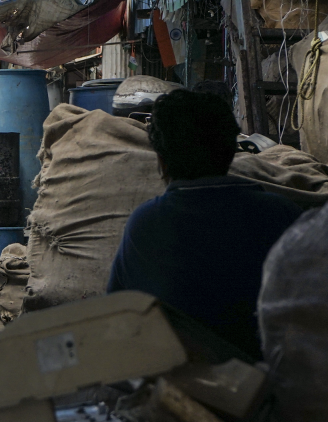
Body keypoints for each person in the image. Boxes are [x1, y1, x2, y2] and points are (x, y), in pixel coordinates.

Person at [106, 89, 302, 360]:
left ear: (161, 162)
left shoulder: (147, 224)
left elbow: (117, 322)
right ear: (231, 152)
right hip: (269, 385)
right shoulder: (283, 214)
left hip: (182, 390)